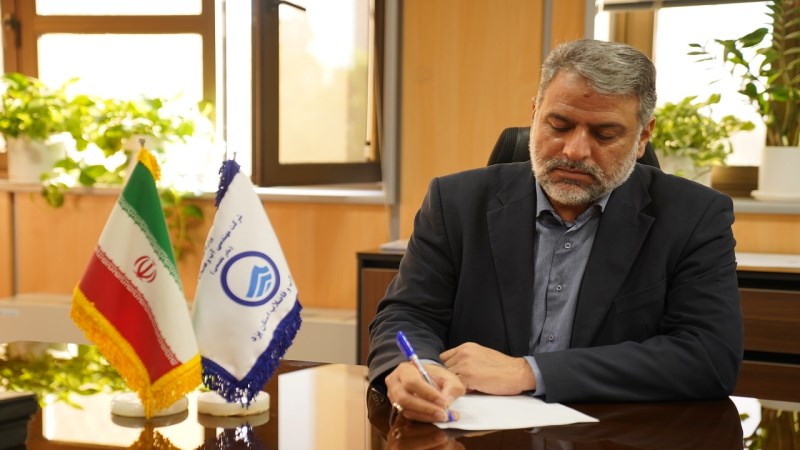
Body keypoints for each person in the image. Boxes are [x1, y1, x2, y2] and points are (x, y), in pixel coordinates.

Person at [367, 38, 743, 424]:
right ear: (535, 114)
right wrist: (418, 366)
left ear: (643, 136)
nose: (575, 151)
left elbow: (709, 355)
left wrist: (529, 372)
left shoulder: (695, 216)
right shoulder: (455, 202)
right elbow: (408, 314)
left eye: (604, 134)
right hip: (472, 431)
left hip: (616, 435)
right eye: (558, 125)